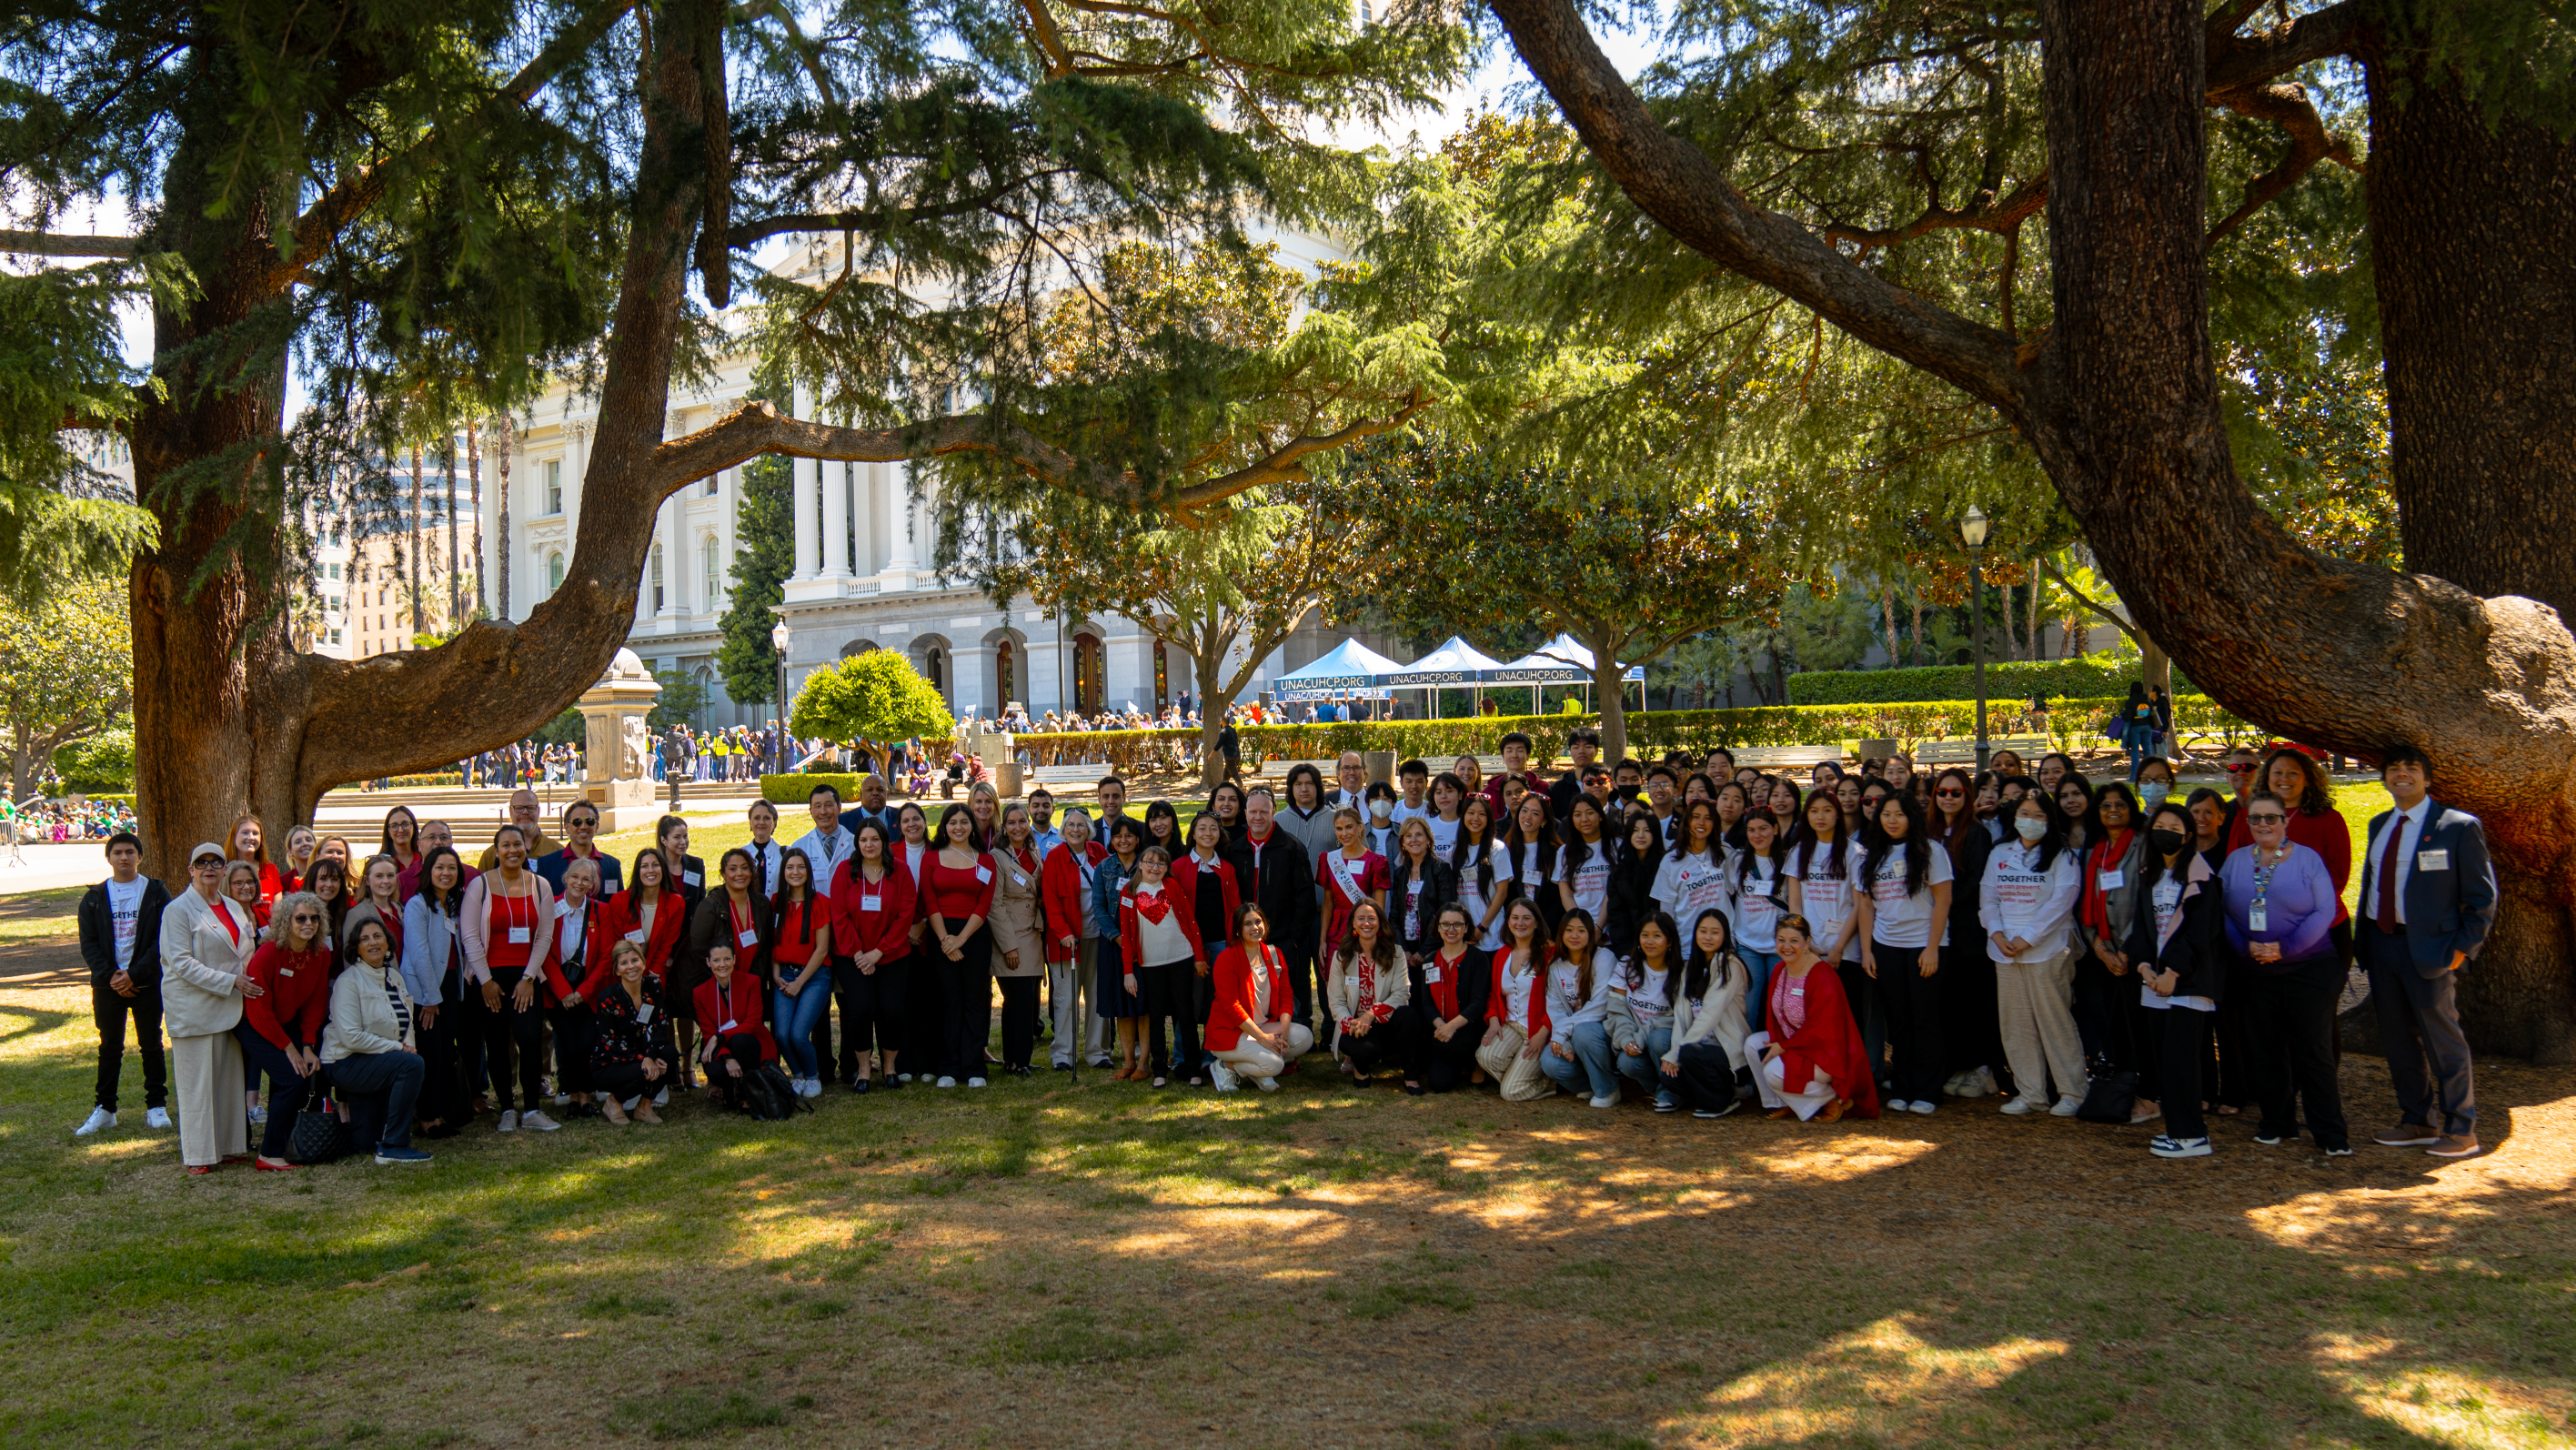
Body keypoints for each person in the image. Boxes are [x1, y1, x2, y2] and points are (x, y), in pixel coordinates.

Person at [2358, 745, 2495, 1159]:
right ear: (2384, 778)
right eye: (2394, 769)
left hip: (2432, 953)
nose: (2402, 775)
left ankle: (2461, 1129)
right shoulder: (2379, 823)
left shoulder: (2457, 826)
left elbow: (2482, 899)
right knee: (2398, 1041)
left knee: (2443, 1041)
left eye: (2411, 769)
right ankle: (2417, 1121)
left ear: (2427, 779)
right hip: (2382, 945)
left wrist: (2460, 952)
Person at [2128, 802, 2228, 1159]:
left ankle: (2192, 1136)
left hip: (2187, 984)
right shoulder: (2148, 875)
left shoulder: (2202, 877)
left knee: (2181, 1061)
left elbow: (2202, 933)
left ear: (2187, 836)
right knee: (2163, 1062)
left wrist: (2172, 972)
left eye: (2174, 826)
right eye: (2160, 825)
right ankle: (2176, 1131)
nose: (2165, 831)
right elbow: (2141, 927)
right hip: (2154, 983)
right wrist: (2144, 968)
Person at [1980, 790, 2088, 1117]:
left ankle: (2072, 1092)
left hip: (2047, 950)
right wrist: (1997, 934)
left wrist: (2027, 938)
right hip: (2004, 951)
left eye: (2039, 815)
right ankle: (2030, 1093)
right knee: (2016, 1024)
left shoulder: (2063, 857)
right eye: (2025, 813)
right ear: (2014, 818)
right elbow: (1988, 898)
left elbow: (2061, 902)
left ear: (2051, 820)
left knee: (2055, 1022)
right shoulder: (1999, 853)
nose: (2031, 821)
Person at [1848, 791, 1953, 1115]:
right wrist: (1866, 950)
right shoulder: (1868, 856)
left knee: (1925, 1019)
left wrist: (1932, 947)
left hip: (1925, 945)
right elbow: (1865, 905)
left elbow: (1943, 900)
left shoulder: (1931, 851)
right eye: (1886, 814)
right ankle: (1903, 1086)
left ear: (1912, 817)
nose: (1892, 821)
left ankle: (1928, 1091)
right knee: (1899, 1020)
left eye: (1899, 814)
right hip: (1886, 945)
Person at [161, 841, 259, 1173]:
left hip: (232, 1007)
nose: (209, 868)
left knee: (229, 1082)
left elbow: (244, 951)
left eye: (216, 862)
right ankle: (199, 1155)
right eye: (201, 863)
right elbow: (180, 964)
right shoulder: (178, 910)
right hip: (196, 1008)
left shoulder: (233, 906)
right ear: (191, 870)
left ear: (224, 869)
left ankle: (230, 1146)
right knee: (198, 1088)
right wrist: (231, 982)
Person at [460, 824, 559, 1132]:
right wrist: (486, 980)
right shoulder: (481, 885)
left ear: (525, 848)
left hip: (525, 978)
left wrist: (529, 977)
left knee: (530, 1041)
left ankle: (531, 1111)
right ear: (496, 850)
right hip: (488, 978)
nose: (512, 850)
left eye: (517, 844)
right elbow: (470, 936)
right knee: (498, 1043)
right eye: (505, 845)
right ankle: (506, 1109)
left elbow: (544, 934)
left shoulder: (540, 885)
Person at [75, 832, 172, 1136]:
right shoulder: (93, 898)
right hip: (108, 986)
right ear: (109, 858)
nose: (124, 858)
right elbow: (89, 944)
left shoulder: (156, 893)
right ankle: (105, 1109)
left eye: (130, 852)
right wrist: (112, 977)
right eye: (117, 852)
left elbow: (163, 940)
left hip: (146, 983)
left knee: (151, 1044)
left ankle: (156, 1106)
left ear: (140, 857)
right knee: (109, 1047)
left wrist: (135, 974)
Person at [1746, 914, 1878, 1122]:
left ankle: (1833, 1100)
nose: (1786, 946)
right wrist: (1783, 1043)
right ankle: (1783, 1102)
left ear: (1807, 942)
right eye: (1781, 940)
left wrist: (1785, 1046)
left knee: (1772, 1072)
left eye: (1794, 941)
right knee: (1752, 1045)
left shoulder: (1822, 976)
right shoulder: (1780, 969)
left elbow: (1824, 1029)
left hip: (1823, 1052)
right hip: (1795, 1043)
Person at [320, 918, 432, 1164]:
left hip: (378, 1059)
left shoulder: (395, 977)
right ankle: (394, 1146)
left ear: (388, 943)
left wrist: (408, 1048)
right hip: (344, 1062)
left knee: (364, 1144)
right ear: (356, 948)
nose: (372, 942)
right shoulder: (348, 981)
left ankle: (377, 1138)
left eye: (377, 936)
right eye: (364, 939)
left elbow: (407, 1022)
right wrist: (398, 1050)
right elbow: (350, 1037)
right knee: (411, 1065)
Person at [235, 891, 333, 1170]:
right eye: (300, 918)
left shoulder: (320, 954)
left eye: (315, 918)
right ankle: (269, 1154)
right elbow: (258, 1011)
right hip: (253, 1023)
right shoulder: (268, 953)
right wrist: (289, 1049)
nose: (308, 923)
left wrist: (307, 1047)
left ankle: (289, 1146)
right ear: (286, 921)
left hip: (286, 1021)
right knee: (292, 1079)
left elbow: (315, 1004)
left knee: (300, 1077)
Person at [2072, 782, 2150, 1115]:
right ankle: (2124, 1086)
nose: (2113, 810)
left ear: (2131, 809)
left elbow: (2146, 901)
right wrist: (2102, 951)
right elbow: (2083, 907)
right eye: (2105, 806)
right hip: (2104, 954)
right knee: (2116, 1025)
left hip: (2138, 952)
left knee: (2141, 1025)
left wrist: (2127, 950)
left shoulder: (2144, 846)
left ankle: (2149, 1092)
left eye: (2120, 804)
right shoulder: (2094, 851)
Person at [921, 803, 998, 1089]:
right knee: (949, 1002)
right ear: (944, 826)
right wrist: (945, 941)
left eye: (964, 822)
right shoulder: (930, 858)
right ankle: (949, 1066)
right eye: (952, 822)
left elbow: (984, 904)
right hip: (941, 934)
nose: (958, 827)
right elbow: (930, 902)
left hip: (974, 935)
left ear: (972, 826)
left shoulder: (985, 861)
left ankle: (974, 1065)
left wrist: (961, 940)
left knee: (976, 1002)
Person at [1119, 844, 1204, 1089]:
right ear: (1141, 864)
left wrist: (1198, 956)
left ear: (1167, 868)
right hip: (1151, 964)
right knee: (1155, 1016)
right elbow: (1126, 935)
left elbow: (1190, 920)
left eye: (1161, 864)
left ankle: (1192, 1067)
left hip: (1181, 957)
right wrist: (1128, 971)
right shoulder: (1130, 891)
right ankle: (1159, 1069)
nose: (1154, 867)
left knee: (1185, 1015)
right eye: (1150, 862)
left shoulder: (1172, 887)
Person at [1204, 903, 1315, 1091]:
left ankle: (1259, 1067)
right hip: (1231, 1031)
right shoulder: (1226, 958)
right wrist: (1263, 1038)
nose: (1255, 928)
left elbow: (1287, 996)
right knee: (1275, 1065)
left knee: (1304, 1037)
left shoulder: (1275, 954)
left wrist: (1284, 1031)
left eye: (1258, 922)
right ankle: (1224, 1067)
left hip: (1263, 1026)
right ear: (1238, 930)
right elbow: (1232, 1006)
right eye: (1248, 924)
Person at [1663, 909, 1754, 1119]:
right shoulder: (1689, 968)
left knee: (1689, 1054)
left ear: (1725, 936)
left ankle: (1724, 1101)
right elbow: (1681, 1018)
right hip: (1697, 1049)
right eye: (1703, 931)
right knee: (1669, 1077)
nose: (1708, 937)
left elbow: (1710, 1013)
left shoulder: (1731, 966)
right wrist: (1674, 1052)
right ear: (1695, 934)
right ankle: (1710, 1095)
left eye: (1715, 932)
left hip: (1728, 1054)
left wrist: (1679, 1052)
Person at [538, 853, 609, 1121]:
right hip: (559, 993)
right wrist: (565, 993)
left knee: (587, 1044)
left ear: (592, 884)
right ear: (566, 879)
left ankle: (585, 1099)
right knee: (569, 1045)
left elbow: (606, 957)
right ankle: (572, 1096)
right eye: (575, 877)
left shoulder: (601, 911)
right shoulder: (549, 908)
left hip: (589, 993)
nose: (580, 883)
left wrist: (583, 992)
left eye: (586, 879)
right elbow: (543, 951)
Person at [1041, 809, 1108, 1071]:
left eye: (1081, 825)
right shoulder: (1055, 857)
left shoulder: (1098, 853)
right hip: (1067, 941)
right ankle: (1063, 1054)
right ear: (1063, 829)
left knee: (1096, 997)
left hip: (1098, 937)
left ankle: (1097, 1052)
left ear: (1089, 829)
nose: (1076, 829)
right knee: (1067, 999)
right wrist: (1063, 932)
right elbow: (1051, 901)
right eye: (1070, 825)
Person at [1327, 899, 1417, 1089]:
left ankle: (1410, 1076)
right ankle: (1360, 1066)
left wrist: (1371, 1014)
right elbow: (1336, 1002)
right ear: (1353, 923)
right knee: (1365, 1053)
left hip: (1385, 1022)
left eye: (1371, 918)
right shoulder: (1341, 956)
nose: (1366, 923)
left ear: (1380, 922)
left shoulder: (1396, 953)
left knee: (1409, 1015)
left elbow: (1401, 994)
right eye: (1361, 918)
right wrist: (1350, 1024)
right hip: (1356, 1026)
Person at [987, 802, 1047, 1077]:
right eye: (1011, 823)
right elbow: (994, 905)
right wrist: (1008, 945)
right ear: (1004, 827)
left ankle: (1021, 1059)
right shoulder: (997, 856)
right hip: (1010, 935)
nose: (1018, 827)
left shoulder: (1033, 852)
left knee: (1029, 1001)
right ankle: (1013, 1060)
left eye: (1022, 821)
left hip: (1032, 934)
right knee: (1016, 1000)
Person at [1538, 908, 1621, 1107]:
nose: (1574, 936)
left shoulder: (1604, 958)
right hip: (1573, 1032)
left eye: (1581, 931)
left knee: (1584, 1033)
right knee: (1549, 1061)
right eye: (1569, 930)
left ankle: (1608, 1090)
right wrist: (1563, 1039)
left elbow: (1602, 1005)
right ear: (1561, 934)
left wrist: (1565, 1030)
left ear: (1591, 935)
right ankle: (1591, 1085)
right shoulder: (1556, 966)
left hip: (1604, 1033)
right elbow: (1556, 1009)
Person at [1406, 902, 1491, 1093]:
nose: (1451, 929)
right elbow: (1426, 1003)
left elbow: (1478, 1004)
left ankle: (1473, 1062)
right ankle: (1459, 1064)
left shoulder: (1478, 959)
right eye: (1445, 924)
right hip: (1441, 1032)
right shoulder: (1429, 960)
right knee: (1438, 1084)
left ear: (1466, 927)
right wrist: (1441, 1027)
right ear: (1438, 927)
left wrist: (1451, 1027)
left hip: (1468, 1029)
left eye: (1457, 924)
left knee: (1441, 1045)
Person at [1475, 899, 1555, 1101]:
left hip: (1538, 1030)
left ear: (1536, 923)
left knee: (1509, 1093)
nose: (1520, 923)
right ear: (1508, 922)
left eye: (1526, 918)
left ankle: (1550, 1085)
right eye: (1515, 918)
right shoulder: (1502, 954)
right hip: (1511, 1025)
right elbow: (1494, 994)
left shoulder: (1550, 953)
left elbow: (1559, 1001)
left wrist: (1543, 1034)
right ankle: (1525, 1076)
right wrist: (1493, 1021)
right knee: (1485, 1056)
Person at [589, 940, 676, 1125]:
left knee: (669, 1056)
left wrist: (650, 1056)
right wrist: (644, 1059)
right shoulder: (608, 997)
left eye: (635, 960)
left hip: (642, 1054)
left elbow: (660, 1027)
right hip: (609, 1063)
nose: (631, 967)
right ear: (617, 970)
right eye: (624, 963)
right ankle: (614, 1102)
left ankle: (644, 1107)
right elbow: (610, 1043)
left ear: (643, 963)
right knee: (644, 1070)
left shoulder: (654, 986)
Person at [1607, 911, 1684, 1109]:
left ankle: (1672, 1091)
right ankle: (1662, 1091)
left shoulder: (1681, 972)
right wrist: (1626, 1039)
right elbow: (1617, 1010)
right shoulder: (1626, 965)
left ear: (1669, 941)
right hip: (1635, 1036)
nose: (1650, 941)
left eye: (1657, 936)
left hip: (1664, 1039)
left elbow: (1679, 1018)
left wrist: (1644, 1035)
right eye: (1645, 935)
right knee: (1626, 1063)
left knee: (1657, 1040)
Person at [1094, 817, 1150, 1080]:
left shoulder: (1149, 865)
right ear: (1111, 840)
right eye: (1118, 836)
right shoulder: (1103, 867)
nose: (1124, 840)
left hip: (1146, 941)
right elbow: (1099, 907)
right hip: (1114, 943)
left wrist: (1142, 939)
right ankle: (1128, 1061)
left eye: (1129, 835)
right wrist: (1116, 936)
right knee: (1121, 1004)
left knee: (1143, 1004)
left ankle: (1144, 1063)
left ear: (1138, 839)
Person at [692, 942, 779, 1113]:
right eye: (716, 960)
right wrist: (728, 1058)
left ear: (734, 960)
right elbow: (709, 1033)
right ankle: (729, 1091)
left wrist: (720, 1037)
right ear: (708, 963)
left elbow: (753, 1023)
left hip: (752, 1042)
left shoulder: (751, 982)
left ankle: (748, 1094)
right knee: (716, 1070)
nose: (722, 964)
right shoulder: (699, 993)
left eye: (727, 959)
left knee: (741, 1041)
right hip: (721, 1048)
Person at [536, 801, 623, 897]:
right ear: (567, 827)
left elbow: (619, 904)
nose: (583, 827)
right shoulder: (546, 864)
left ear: (597, 826)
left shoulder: (612, 865)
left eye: (589, 821)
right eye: (577, 822)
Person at [475, 789, 563, 870]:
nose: (525, 812)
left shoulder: (557, 851)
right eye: (519, 808)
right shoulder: (491, 856)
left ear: (538, 811)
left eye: (530, 808)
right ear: (510, 811)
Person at [2118, 684, 2158, 781]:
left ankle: (2134, 777)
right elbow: (2151, 712)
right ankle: (2149, 776)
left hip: (2135, 727)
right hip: (2147, 726)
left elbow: (2127, 717)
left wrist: (2123, 713)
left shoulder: (2130, 701)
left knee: (2135, 751)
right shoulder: (2146, 699)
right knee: (2147, 750)